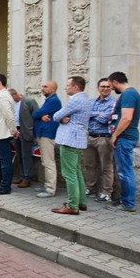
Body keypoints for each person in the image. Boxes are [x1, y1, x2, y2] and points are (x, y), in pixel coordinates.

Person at [51, 76, 92, 215]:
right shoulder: (85, 99)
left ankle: (72, 205)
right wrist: (63, 118)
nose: (65, 87)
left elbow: (56, 116)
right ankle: (81, 202)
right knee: (77, 172)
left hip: (69, 139)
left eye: (68, 85)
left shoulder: (75, 100)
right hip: (78, 139)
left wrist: (61, 118)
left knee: (69, 174)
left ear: (76, 87)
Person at [108, 71, 140, 213]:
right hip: (126, 137)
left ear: (115, 82)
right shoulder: (131, 93)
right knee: (124, 170)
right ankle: (125, 199)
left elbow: (126, 118)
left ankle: (128, 202)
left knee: (125, 171)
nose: (110, 89)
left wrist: (115, 135)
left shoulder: (128, 94)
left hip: (125, 137)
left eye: (110, 85)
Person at [84, 78, 117, 203]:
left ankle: (106, 192)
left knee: (106, 167)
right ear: (98, 88)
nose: (105, 89)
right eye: (103, 86)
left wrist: (94, 114)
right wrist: (99, 114)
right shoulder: (91, 101)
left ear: (111, 88)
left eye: (108, 87)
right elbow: (86, 114)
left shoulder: (114, 102)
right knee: (89, 165)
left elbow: (107, 119)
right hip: (90, 136)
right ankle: (90, 188)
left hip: (104, 138)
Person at [32, 81, 62, 198]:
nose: (42, 88)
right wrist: (40, 116)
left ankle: (50, 188)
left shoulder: (53, 101)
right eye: (42, 86)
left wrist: (39, 115)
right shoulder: (49, 100)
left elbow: (35, 113)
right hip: (44, 133)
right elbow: (39, 115)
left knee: (49, 162)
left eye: (45, 87)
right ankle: (47, 185)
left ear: (53, 89)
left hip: (48, 135)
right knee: (45, 161)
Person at [0, 74, 17, 194]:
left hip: (3, 133)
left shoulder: (3, 96)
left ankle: (5, 186)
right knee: (3, 160)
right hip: (0, 133)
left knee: (5, 160)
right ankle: (2, 183)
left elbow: (9, 116)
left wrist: (13, 130)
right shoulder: (1, 95)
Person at [9, 88, 38, 188]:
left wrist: (33, 130)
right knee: (19, 155)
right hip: (16, 130)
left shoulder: (28, 101)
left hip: (25, 131)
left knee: (26, 155)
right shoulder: (13, 104)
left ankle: (27, 178)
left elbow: (36, 115)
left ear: (15, 94)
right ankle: (22, 175)